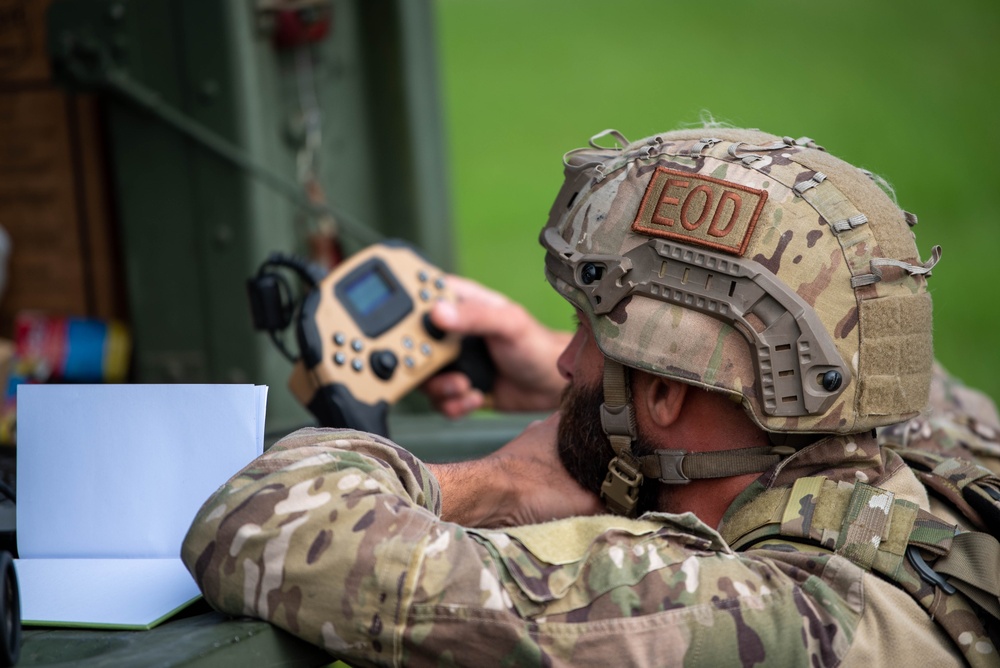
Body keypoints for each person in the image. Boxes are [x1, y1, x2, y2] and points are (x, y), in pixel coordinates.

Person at [182, 127, 1000, 666]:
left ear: (670, 395)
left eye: (586, 332)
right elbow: (935, 390)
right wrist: (604, 387)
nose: (569, 359)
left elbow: (256, 523)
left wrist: (486, 484)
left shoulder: (718, 614)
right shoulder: (946, 480)